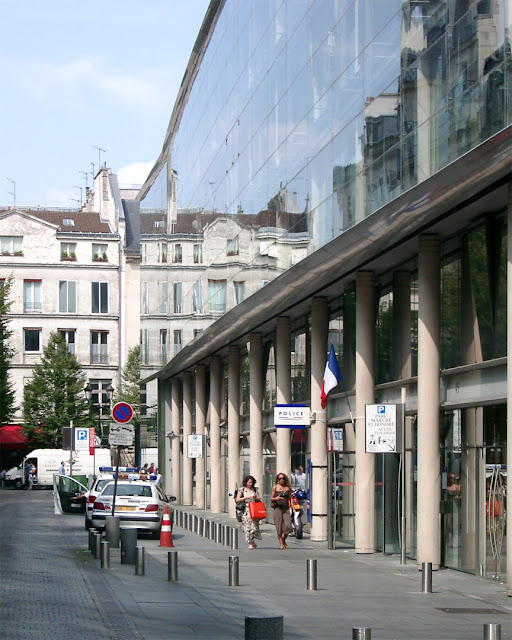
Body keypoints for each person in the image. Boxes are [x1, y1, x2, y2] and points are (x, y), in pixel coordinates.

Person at [236, 475, 262, 550]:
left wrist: (255, 497)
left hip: (254, 510)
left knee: (254, 527)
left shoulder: (255, 490)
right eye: (249, 482)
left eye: (251, 482)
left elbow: (259, 499)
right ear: (246, 482)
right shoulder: (242, 490)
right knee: (247, 527)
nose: (250, 484)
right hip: (246, 510)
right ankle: (250, 543)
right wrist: (246, 498)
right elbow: (238, 499)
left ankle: (252, 540)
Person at [271, 473, 293, 549]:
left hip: (285, 508)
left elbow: (290, 498)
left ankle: (283, 540)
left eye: (283, 478)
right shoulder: (275, 487)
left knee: (288, 526)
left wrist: (293, 507)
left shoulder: (287, 488)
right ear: (277, 479)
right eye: (279, 478)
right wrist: (276, 499)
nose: (281, 480)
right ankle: (281, 543)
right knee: (279, 527)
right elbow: (271, 498)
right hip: (277, 508)